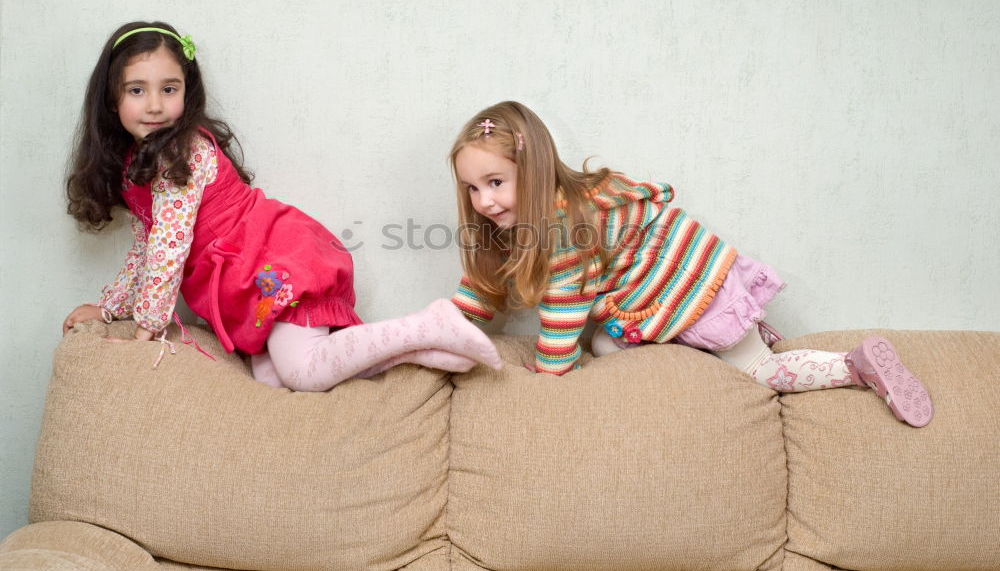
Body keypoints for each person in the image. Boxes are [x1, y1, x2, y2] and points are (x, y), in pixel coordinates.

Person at [62, 21, 501, 390]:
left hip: (270, 260)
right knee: (276, 380)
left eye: (168, 88)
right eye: (137, 90)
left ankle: (425, 324)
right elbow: (146, 244)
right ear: (111, 98)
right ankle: (431, 349)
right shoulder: (136, 164)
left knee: (301, 371)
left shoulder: (181, 154)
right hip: (247, 276)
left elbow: (168, 250)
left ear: (187, 91)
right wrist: (108, 308)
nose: (155, 105)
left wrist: (147, 328)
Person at [448, 100, 932, 427]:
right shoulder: (556, 210)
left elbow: (564, 308)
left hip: (697, 293)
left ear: (532, 170)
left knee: (764, 373)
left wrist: (548, 377)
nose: (484, 201)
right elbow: (485, 285)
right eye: (472, 188)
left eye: (495, 182)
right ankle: (732, 346)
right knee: (606, 345)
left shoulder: (563, 228)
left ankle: (854, 366)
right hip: (669, 290)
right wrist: (445, 326)